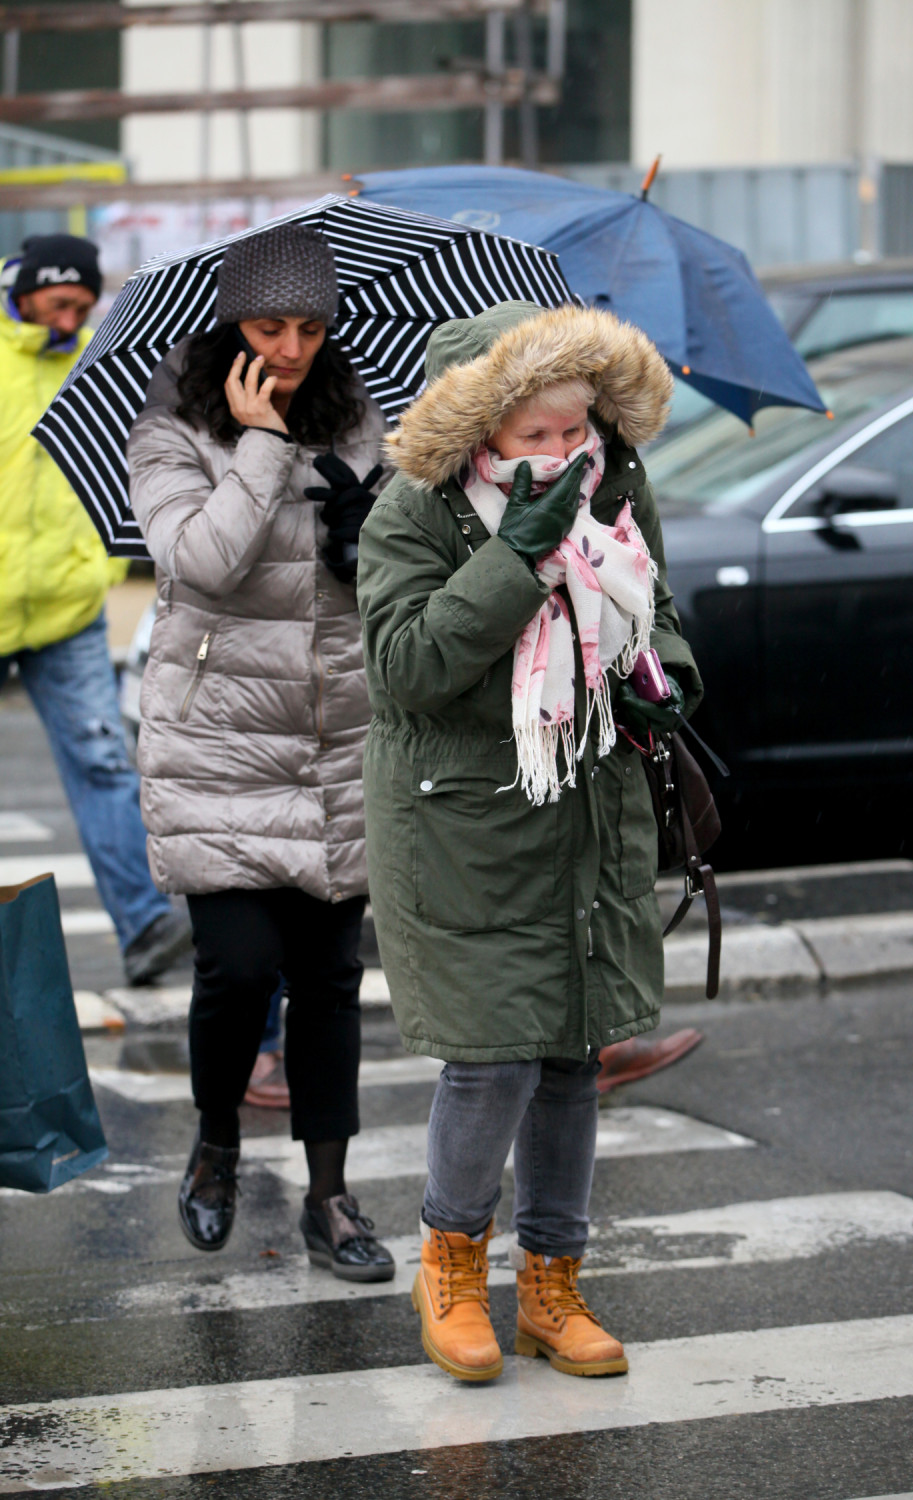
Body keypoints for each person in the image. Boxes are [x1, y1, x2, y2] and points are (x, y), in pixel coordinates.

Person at [357, 299, 704, 1381]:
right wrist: (516, 556)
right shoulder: (408, 515)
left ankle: (553, 1282)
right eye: (535, 437)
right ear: (479, 434)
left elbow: (659, 618)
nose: (561, 454)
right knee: (492, 1056)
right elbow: (408, 669)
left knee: (571, 1052)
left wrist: (665, 685)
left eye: (574, 431)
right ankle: (451, 1266)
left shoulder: (613, 491)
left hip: (587, 809)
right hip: (467, 820)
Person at [127, 224, 394, 1280]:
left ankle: (330, 1197)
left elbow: (381, 582)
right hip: (220, 740)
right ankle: (216, 1144)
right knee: (238, 969)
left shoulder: (359, 416)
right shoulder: (169, 429)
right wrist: (259, 443)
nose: (289, 349)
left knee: (329, 978)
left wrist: (366, 530)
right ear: (226, 322)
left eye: (309, 327)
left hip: (334, 735)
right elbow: (203, 564)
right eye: (267, 325)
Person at [0, 233, 190, 986]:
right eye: (61, 300)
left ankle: (144, 925)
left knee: (105, 762)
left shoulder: (98, 365)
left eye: (83, 303)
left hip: (66, 603)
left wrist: (100, 562)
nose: (73, 314)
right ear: (24, 288)